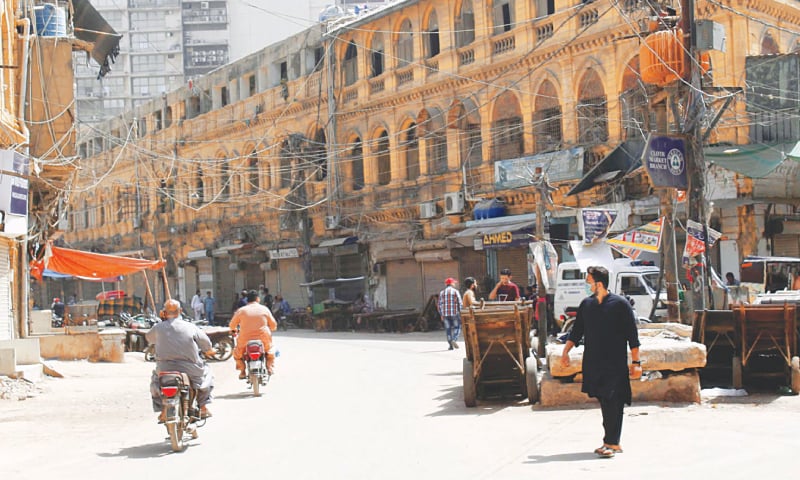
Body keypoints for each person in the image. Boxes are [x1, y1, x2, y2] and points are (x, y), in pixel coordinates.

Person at [560, 266, 642, 458]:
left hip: (615, 362)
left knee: (614, 399)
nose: (587, 285)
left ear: (598, 283)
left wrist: (636, 362)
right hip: (593, 362)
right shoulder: (586, 305)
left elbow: (632, 335)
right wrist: (565, 352)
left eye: (589, 281)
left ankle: (613, 443)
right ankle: (609, 441)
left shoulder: (620, 304)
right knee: (604, 400)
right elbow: (576, 331)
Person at [146, 299, 216, 421]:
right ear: (181, 311)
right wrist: (209, 351)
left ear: (164, 312)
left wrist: (162, 324)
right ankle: (203, 407)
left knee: (156, 382)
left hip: (165, 369)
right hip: (191, 369)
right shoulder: (190, 327)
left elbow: (149, 338)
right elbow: (206, 344)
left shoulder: (157, 328)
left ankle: (163, 411)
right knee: (207, 375)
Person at [229, 290, 278, 378]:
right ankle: (270, 367)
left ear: (247, 300)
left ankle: (242, 371)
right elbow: (273, 325)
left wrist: (234, 330)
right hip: (263, 338)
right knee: (270, 351)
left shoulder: (241, 310)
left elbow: (232, 325)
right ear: (258, 299)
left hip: (245, 339)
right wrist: (272, 328)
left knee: (237, 354)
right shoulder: (264, 309)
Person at [437, 278, 462, 350]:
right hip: (454, 313)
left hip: (445, 314)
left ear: (446, 284)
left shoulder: (442, 292)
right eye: (454, 283)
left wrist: (441, 314)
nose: (455, 284)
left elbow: (439, 304)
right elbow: (459, 303)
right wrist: (460, 312)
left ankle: (450, 346)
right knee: (457, 327)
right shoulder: (455, 291)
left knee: (448, 329)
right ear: (451, 283)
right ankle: (454, 339)